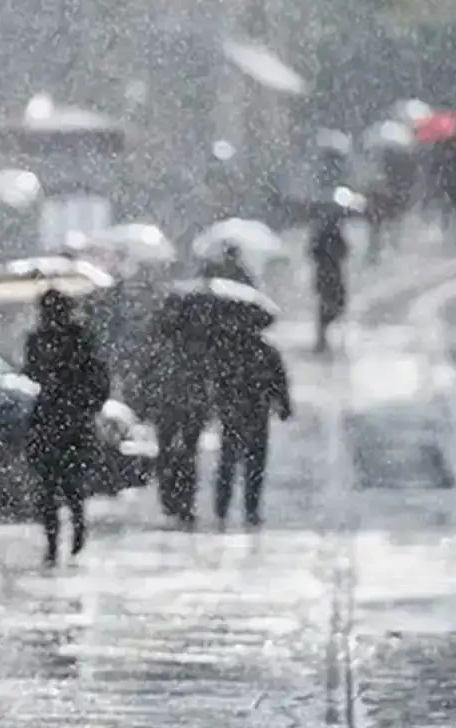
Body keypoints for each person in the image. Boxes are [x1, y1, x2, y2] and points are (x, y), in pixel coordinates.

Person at [22, 289, 110, 565]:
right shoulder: (39, 339)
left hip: (69, 420)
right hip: (50, 419)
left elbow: (98, 379)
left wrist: (84, 405)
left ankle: (75, 530)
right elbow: (31, 371)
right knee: (50, 487)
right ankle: (53, 541)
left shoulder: (80, 339)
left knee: (68, 485)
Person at [139, 293, 213, 525]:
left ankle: (173, 499)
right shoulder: (197, 342)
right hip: (185, 406)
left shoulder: (162, 339)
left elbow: (147, 373)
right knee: (185, 455)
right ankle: (182, 501)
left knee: (169, 453)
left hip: (171, 405)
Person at [212, 328, 292, 526]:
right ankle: (250, 509)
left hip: (235, 415)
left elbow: (218, 383)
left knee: (229, 463)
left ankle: (223, 508)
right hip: (256, 414)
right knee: (254, 463)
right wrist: (284, 406)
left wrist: (220, 405)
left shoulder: (229, 351)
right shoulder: (267, 352)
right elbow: (279, 383)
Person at [309, 213, 350, 353]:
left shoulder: (323, 237)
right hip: (329, 276)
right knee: (330, 305)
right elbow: (344, 252)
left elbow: (313, 252)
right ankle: (323, 336)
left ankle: (323, 336)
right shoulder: (328, 237)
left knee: (329, 305)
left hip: (328, 276)